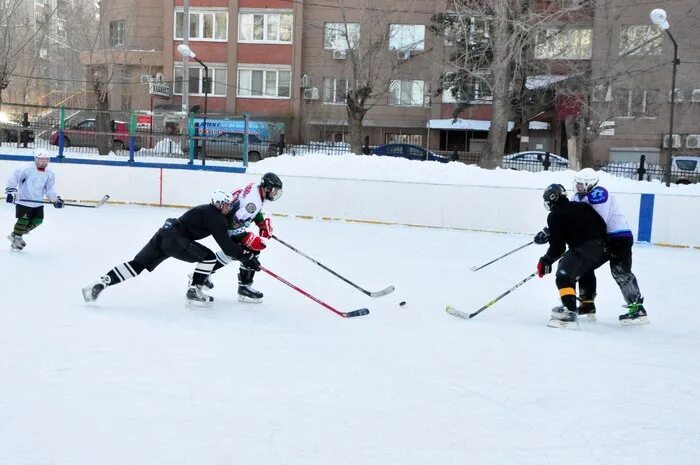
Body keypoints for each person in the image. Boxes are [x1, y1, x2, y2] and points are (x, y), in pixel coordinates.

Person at [82, 190, 261, 307]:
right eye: (228, 204)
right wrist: (246, 257)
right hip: (177, 240)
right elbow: (227, 246)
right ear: (219, 203)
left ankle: (101, 282)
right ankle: (194, 290)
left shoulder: (206, 210)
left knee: (137, 265)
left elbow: (227, 240)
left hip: (163, 235)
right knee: (208, 258)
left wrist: (242, 253)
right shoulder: (216, 217)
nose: (230, 208)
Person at [571, 168, 648, 325]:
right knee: (583, 266)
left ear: (590, 184)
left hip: (619, 237)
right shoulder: (576, 197)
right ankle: (587, 304)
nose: (578, 187)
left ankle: (637, 309)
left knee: (620, 272)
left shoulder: (600, 194)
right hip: (600, 239)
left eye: (581, 184)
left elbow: (598, 222)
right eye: (577, 184)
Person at [191, 172, 283, 303]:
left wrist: (261, 224)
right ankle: (244, 288)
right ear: (266, 187)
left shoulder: (256, 187)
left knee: (234, 253)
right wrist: (248, 238)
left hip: (225, 219)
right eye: (274, 190)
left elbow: (253, 211)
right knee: (250, 252)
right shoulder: (253, 202)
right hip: (226, 224)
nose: (275, 194)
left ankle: (203, 275)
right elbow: (232, 226)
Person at [534, 184, 609, 329]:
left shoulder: (554, 215)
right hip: (603, 250)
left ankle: (570, 313)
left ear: (552, 199)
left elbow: (558, 247)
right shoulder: (582, 206)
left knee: (563, 277)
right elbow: (601, 225)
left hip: (585, 250)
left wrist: (545, 261)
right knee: (572, 266)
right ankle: (587, 304)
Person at [4, 149, 64, 251]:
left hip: (37, 202)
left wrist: (55, 200)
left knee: (38, 220)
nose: (43, 162)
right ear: (36, 159)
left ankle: (15, 235)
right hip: (24, 200)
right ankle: (17, 237)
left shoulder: (50, 173)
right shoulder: (25, 169)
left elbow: (50, 189)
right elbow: (14, 179)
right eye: (41, 160)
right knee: (24, 219)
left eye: (45, 160)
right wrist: (10, 192)